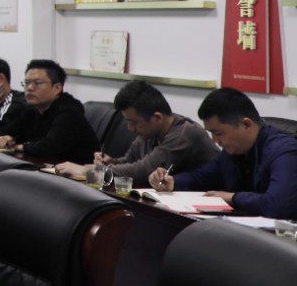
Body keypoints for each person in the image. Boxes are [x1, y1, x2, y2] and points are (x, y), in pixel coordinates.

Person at [150, 86, 297, 217]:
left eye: (218, 133)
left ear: (246, 124)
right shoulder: (232, 151)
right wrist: (172, 182)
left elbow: (276, 205)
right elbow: (201, 177)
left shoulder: (284, 152)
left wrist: (233, 197)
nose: (215, 140)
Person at [54, 80, 216, 183]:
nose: (130, 128)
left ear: (157, 117)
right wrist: (109, 162)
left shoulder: (184, 134)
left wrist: (86, 171)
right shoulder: (149, 132)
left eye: (134, 122)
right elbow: (130, 161)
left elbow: (142, 171)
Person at [0, 59, 98, 164]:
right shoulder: (31, 110)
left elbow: (49, 147)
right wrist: (2, 138)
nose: (30, 88)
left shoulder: (69, 112)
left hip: (76, 172)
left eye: (37, 83)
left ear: (57, 88)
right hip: (44, 167)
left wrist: (17, 146)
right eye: (27, 83)